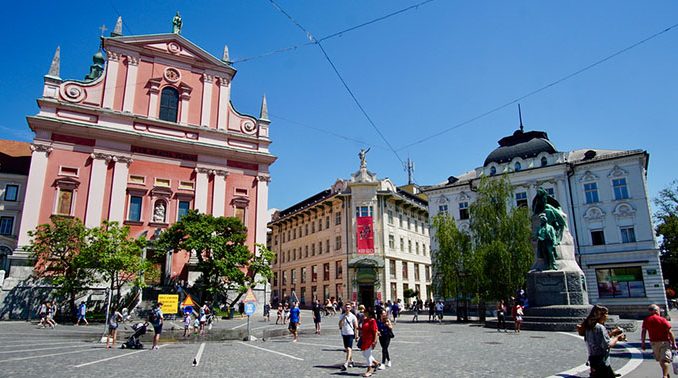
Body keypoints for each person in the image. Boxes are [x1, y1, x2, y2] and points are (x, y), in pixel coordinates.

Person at [577, 304, 625, 378]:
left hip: (593, 358)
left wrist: (612, 333)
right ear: (601, 315)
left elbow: (599, 340)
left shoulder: (589, 325)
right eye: (606, 314)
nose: (607, 316)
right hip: (601, 360)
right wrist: (617, 338)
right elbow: (607, 344)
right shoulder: (600, 327)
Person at [641, 304, 676, 378]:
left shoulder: (646, 320)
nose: (659, 312)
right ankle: (665, 376)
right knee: (665, 360)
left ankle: (666, 373)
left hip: (653, 343)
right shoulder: (662, 319)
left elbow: (643, 332)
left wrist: (643, 343)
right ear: (655, 311)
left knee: (661, 359)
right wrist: (674, 344)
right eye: (659, 310)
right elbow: (670, 332)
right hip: (664, 342)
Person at [358, 307, 380, 377]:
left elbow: (375, 331)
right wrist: (358, 328)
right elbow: (364, 328)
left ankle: (369, 370)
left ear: (369, 313)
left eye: (365, 312)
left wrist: (374, 341)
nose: (364, 313)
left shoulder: (372, 321)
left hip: (370, 340)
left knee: (368, 355)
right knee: (365, 354)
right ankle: (376, 363)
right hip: (364, 339)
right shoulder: (365, 320)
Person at [339, 303, 359, 371]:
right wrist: (343, 319)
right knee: (347, 349)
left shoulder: (353, 316)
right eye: (346, 307)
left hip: (350, 333)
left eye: (348, 307)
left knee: (349, 348)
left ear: (350, 308)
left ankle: (346, 363)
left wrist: (356, 335)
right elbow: (340, 326)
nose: (347, 309)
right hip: (344, 334)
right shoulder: (342, 316)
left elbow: (356, 327)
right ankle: (352, 361)